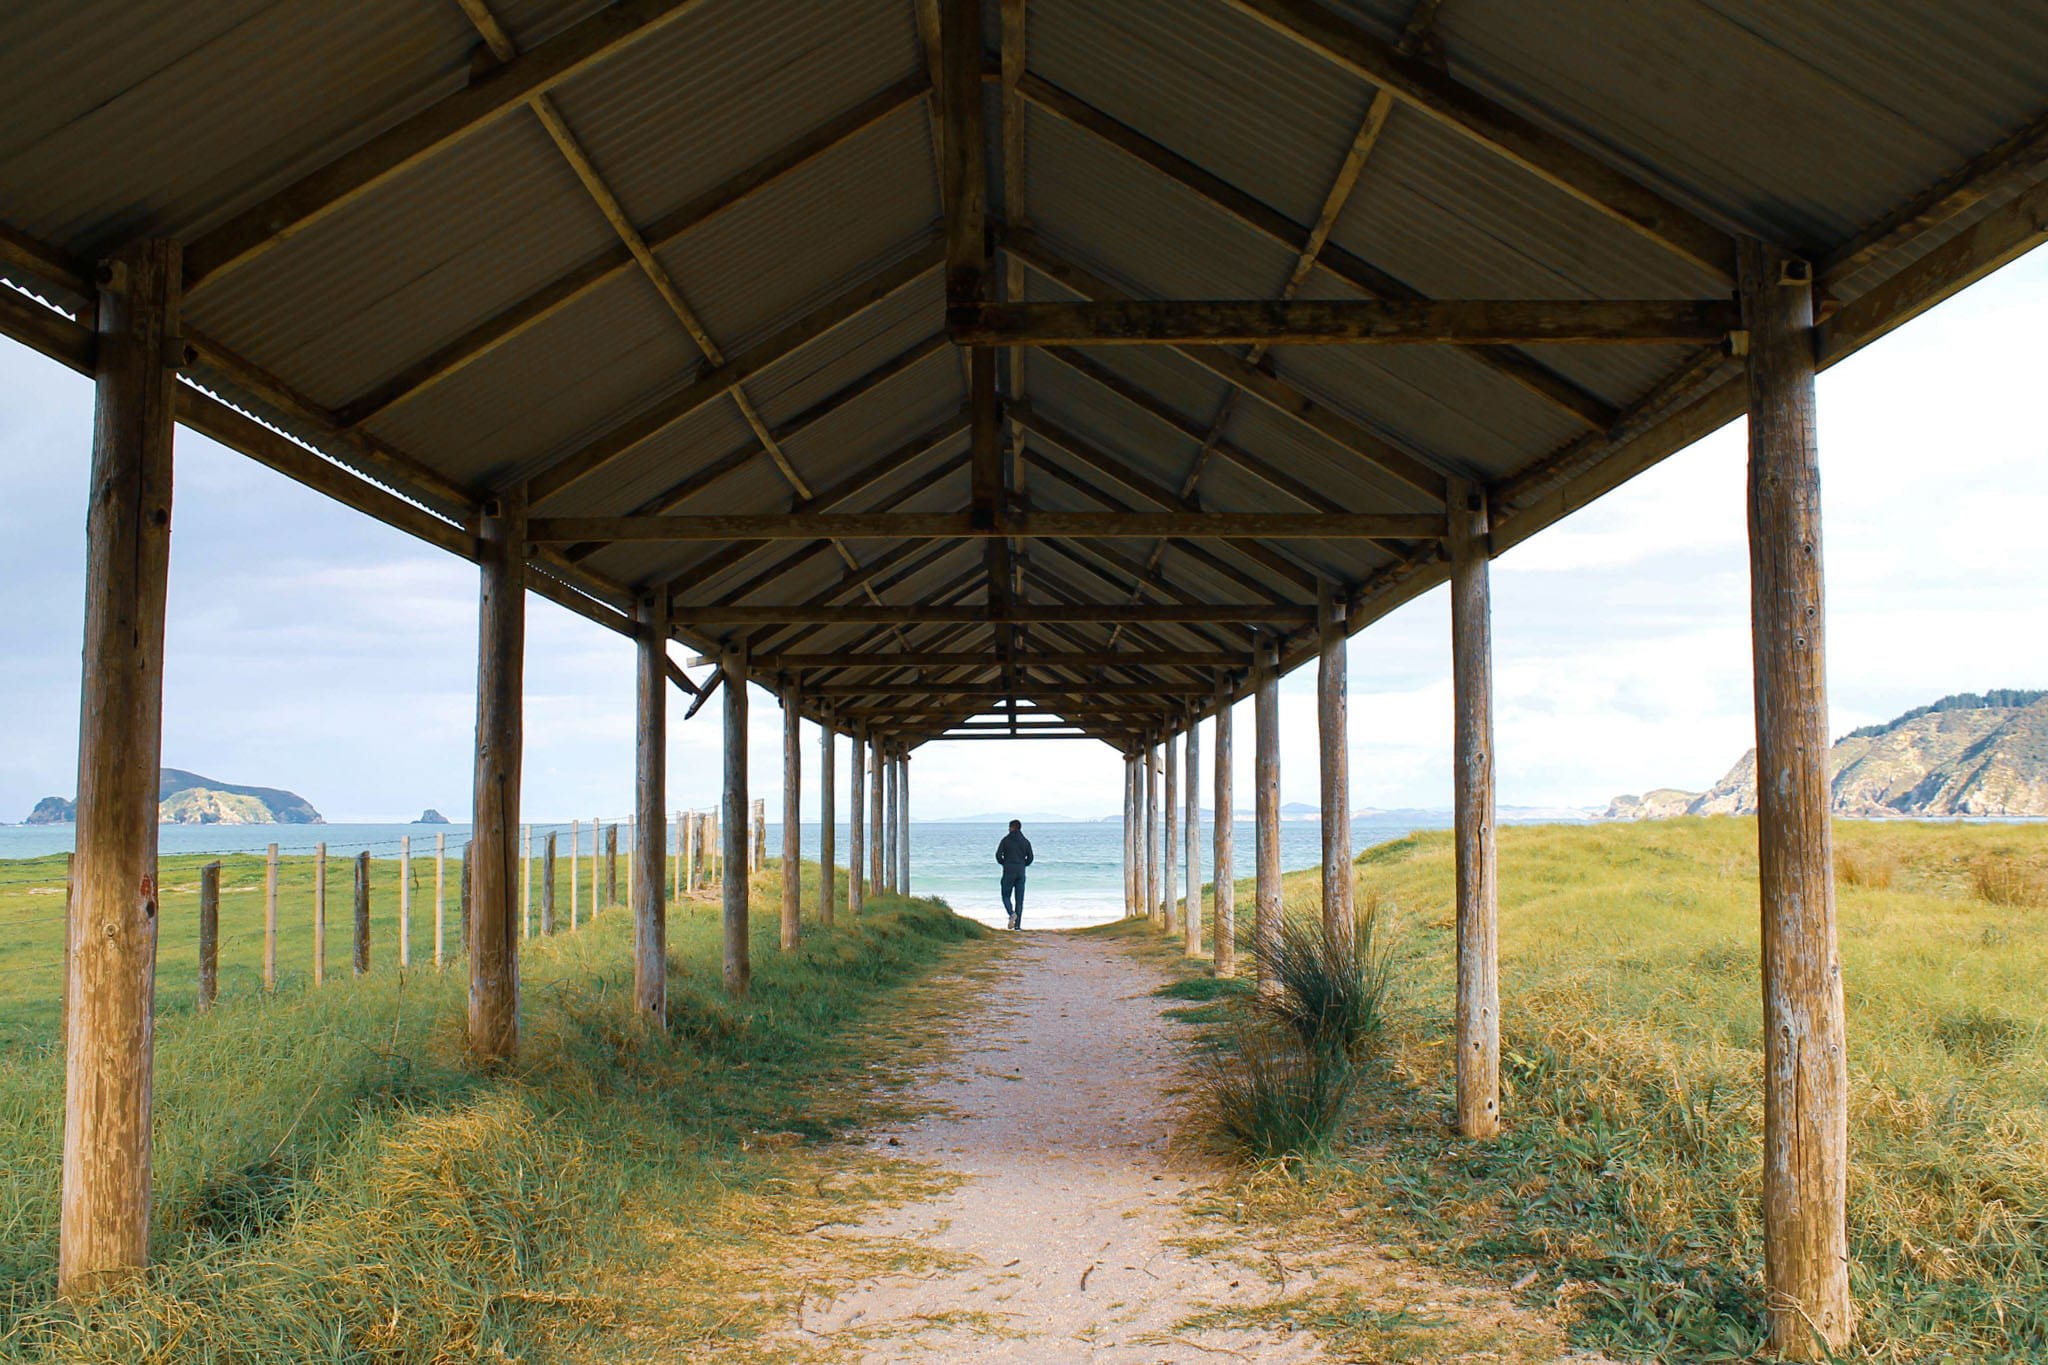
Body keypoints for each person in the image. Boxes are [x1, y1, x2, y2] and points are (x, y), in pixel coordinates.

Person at [995, 819, 1033, 930]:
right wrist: (1023, 864)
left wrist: (1005, 863)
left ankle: (1011, 914)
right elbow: (1030, 858)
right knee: (1019, 900)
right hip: (1021, 871)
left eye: (1009, 827)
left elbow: (998, 856)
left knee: (1005, 895)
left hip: (1008, 871)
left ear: (1012, 828)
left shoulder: (1005, 840)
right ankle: (1018, 926)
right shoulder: (1025, 842)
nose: (1008, 829)